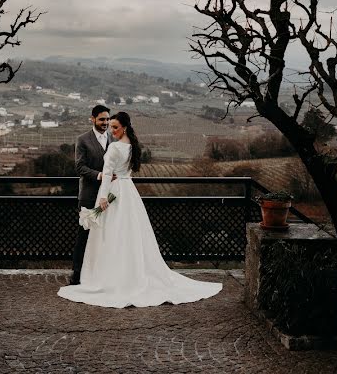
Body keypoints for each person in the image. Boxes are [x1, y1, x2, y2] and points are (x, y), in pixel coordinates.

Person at [58, 111, 222, 308]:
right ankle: (132, 273)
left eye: (115, 127)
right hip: (128, 192)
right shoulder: (132, 146)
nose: (112, 130)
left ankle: (110, 277)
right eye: (110, 126)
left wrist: (102, 198)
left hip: (113, 192)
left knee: (112, 235)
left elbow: (108, 175)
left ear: (124, 127)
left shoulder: (115, 148)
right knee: (130, 234)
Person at [69, 104, 112, 285]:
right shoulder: (83, 139)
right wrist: (99, 175)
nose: (105, 123)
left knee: (106, 235)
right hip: (88, 195)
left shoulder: (113, 139)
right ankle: (77, 274)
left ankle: (100, 273)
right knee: (84, 234)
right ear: (92, 119)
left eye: (108, 119)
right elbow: (79, 167)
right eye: (102, 119)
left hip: (108, 196)